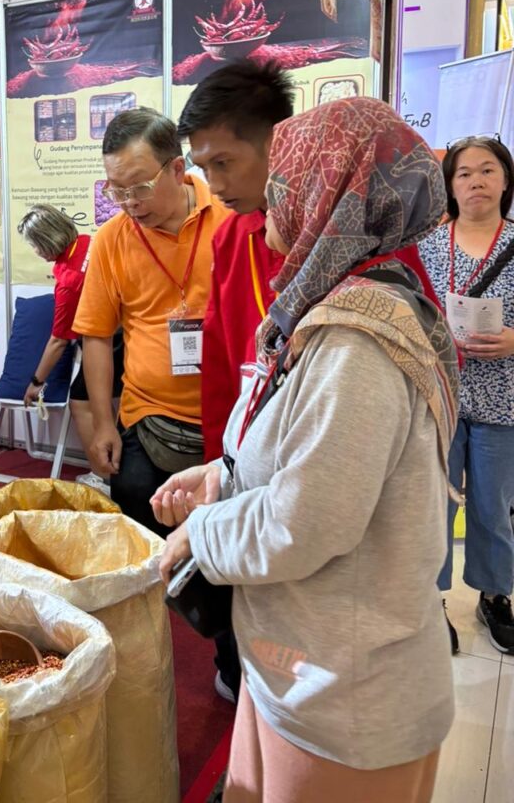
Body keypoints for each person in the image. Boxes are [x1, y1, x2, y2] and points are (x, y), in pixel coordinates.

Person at [153, 98, 458, 803]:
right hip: (300, 669)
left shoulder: (357, 343)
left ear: (332, 193)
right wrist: (224, 476)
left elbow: (306, 522)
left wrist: (201, 531)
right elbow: (308, 456)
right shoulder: (332, 306)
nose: (274, 198)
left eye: (287, 178)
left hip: (347, 699)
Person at [72, 107, 228, 535]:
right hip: (146, 418)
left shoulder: (229, 219)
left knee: (218, 547)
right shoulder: (112, 239)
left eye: (140, 187)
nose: (130, 203)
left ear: (177, 169)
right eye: (116, 190)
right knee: (142, 536)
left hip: (227, 418)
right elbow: (96, 336)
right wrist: (104, 423)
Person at [418, 134, 514, 655]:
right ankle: (430, 600)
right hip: (441, 399)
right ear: (449, 186)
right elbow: (410, 312)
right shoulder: (428, 246)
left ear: (506, 180)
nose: (476, 181)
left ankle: (494, 595)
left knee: (493, 507)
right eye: (464, 173)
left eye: (488, 170)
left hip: (506, 401)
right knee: (432, 504)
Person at [177, 61, 292, 463]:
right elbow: (219, 365)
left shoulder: (352, 232)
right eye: (204, 168)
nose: (215, 185)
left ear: (277, 143)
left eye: (223, 163)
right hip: (249, 450)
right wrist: (217, 464)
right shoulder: (230, 236)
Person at [16, 203, 124, 464]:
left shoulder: (69, 281)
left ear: (47, 240)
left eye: (35, 244)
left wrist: (36, 382)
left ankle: (103, 473)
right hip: (128, 332)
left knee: (81, 403)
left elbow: (58, 341)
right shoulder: (87, 242)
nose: (35, 251)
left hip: (109, 340)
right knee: (115, 403)